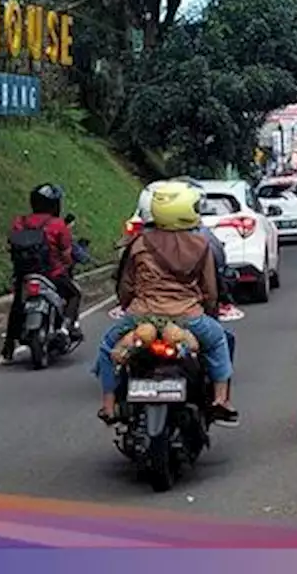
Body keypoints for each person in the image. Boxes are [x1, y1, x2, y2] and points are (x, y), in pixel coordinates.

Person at [94, 181, 240, 426]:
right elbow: (210, 289)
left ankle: (108, 405)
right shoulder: (201, 245)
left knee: (108, 347)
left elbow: (126, 285)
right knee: (218, 341)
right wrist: (211, 311)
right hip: (188, 317)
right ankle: (220, 400)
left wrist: (130, 306)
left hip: (141, 315)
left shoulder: (138, 243)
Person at [4, 183, 83, 361]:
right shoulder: (58, 225)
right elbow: (66, 254)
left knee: (17, 305)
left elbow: (11, 246)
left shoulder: (19, 222)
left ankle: (8, 344)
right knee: (74, 294)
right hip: (53, 275)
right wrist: (69, 264)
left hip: (24, 275)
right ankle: (65, 328)